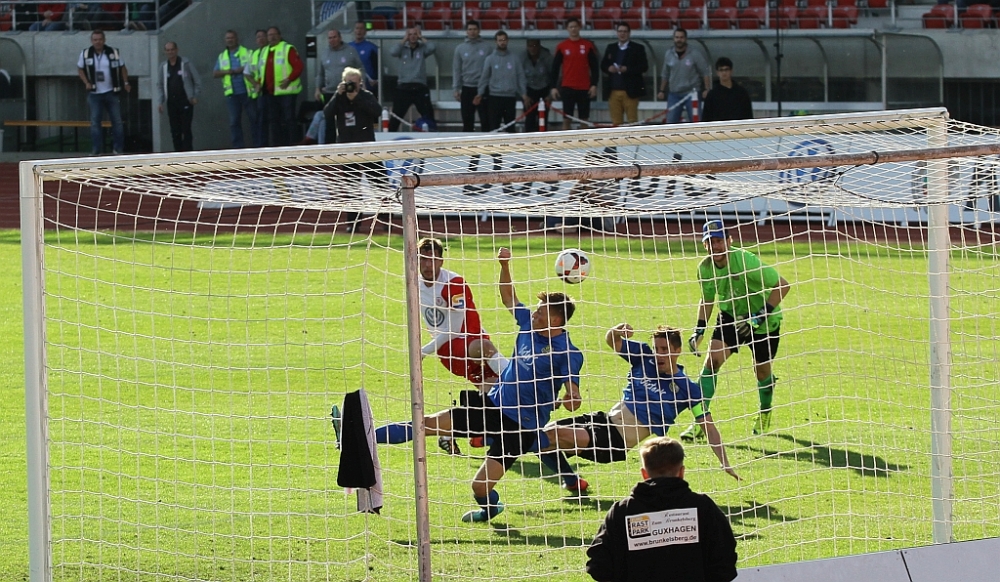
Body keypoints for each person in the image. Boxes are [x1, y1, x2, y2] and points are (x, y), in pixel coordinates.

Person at [374, 247, 583, 523]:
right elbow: (509, 298)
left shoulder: (568, 352)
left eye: (540, 313)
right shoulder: (528, 325)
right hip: (492, 406)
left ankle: (491, 508)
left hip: (520, 428)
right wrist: (505, 265)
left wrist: (571, 398)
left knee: (479, 487)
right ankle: (366, 436)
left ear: (555, 320)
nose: (534, 315)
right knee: (427, 424)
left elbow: (574, 396)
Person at [538, 323, 739, 495]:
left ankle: (520, 451)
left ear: (677, 350)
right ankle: (572, 481)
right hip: (601, 420)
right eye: (656, 348)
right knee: (541, 438)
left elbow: (708, 427)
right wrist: (616, 331)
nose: (659, 354)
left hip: (614, 441)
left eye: (664, 349)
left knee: (548, 436)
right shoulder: (644, 357)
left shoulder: (688, 389)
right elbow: (612, 341)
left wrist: (725, 461)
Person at [684, 220, 791, 441]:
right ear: (705, 245)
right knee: (712, 361)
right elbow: (707, 298)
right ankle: (700, 423)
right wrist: (699, 329)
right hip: (731, 317)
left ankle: (765, 411)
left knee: (762, 373)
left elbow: (782, 285)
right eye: (710, 242)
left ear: (729, 241)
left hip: (764, 321)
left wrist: (759, 317)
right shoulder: (704, 268)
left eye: (719, 241)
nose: (716, 246)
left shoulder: (745, 260)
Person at [585, 436, 738, 582]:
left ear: (644, 474)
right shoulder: (703, 507)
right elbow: (725, 561)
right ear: (682, 472)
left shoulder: (622, 512)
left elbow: (599, 567)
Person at [411, 237, 508, 453]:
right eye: (423, 259)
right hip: (460, 349)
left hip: (467, 348)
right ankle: (519, 378)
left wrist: (423, 351)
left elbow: (456, 325)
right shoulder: (413, 284)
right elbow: (453, 331)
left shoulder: (453, 283)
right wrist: (424, 351)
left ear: (441, 261)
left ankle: (452, 432)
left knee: (496, 395)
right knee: (507, 382)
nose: (427, 264)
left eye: (432, 259)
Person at [323, 66, 389, 232]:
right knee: (352, 186)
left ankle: (387, 219)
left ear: (360, 82)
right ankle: (353, 223)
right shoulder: (339, 98)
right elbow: (327, 113)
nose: (351, 85)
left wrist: (357, 98)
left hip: (367, 147)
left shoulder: (366, 96)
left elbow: (377, 111)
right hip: (348, 148)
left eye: (354, 82)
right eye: (348, 82)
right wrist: (337, 94)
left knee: (380, 184)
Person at [77, 29, 130, 155]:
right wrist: (86, 82)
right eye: (95, 40)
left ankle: (118, 148)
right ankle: (96, 150)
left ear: (104, 40)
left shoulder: (113, 52)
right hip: (95, 93)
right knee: (95, 122)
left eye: (100, 39)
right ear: (91, 41)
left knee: (117, 121)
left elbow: (122, 67)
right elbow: (80, 69)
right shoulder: (86, 53)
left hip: (111, 91)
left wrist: (126, 82)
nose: (98, 42)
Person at [257, 26, 304, 146]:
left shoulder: (287, 48)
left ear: (279, 35)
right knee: (273, 121)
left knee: (289, 119)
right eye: (269, 35)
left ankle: (293, 146)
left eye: (274, 34)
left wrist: (289, 79)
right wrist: (259, 83)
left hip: (286, 92)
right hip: (270, 93)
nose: (272, 37)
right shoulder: (264, 51)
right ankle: (277, 147)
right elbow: (261, 70)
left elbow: (298, 67)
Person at [550, 17, 599, 130]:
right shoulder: (562, 46)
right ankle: (566, 140)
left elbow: (594, 67)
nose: (573, 29)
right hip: (568, 87)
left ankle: (584, 141)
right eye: (571, 27)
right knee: (567, 118)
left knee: (584, 119)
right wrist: (553, 87)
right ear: (567, 29)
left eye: (575, 26)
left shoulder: (587, 45)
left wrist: (594, 85)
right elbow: (555, 68)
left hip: (584, 87)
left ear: (579, 28)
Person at [315, 28, 363, 144]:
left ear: (340, 38)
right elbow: (320, 73)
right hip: (330, 93)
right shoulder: (325, 53)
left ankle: (348, 145)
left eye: (334, 37)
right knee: (329, 122)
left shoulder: (350, 51)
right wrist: (317, 89)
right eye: (330, 38)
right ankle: (329, 148)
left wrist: (361, 84)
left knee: (347, 121)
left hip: (347, 92)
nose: (332, 40)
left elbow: (360, 69)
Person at [475, 30, 528, 134]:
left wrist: (523, 93)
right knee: (494, 127)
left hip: (510, 97)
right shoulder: (490, 59)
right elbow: (484, 77)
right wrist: (480, 93)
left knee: (510, 128)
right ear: (496, 42)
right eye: (500, 40)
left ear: (507, 41)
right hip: (495, 97)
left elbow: (520, 77)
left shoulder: (514, 59)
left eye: (504, 40)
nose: (502, 42)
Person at [214, 30, 259, 149]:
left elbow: (255, 66)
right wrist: (228, 72)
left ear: (237, 39)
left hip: (248, 92)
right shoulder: (222, 56)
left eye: (232, 38)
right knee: (234, 122)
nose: (230, 40)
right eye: (228, 38)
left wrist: (242, 68)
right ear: (225, 40)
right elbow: (215, 73)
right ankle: (238, 148)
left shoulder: (247, 52)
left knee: (254, 119)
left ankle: (258, 146)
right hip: (232, 94)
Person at [657, 28, 711, 124]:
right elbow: (665, 74)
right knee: (670, 122)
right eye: (677, 37)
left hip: (692, 94)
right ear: (673, 38)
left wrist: (707, 89)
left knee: (696, 122)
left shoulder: (695, 53)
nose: (679, 40)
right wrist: (661, 90)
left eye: (681, 37)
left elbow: (705, 72)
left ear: (686, 39)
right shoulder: (669, 54)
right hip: (674, 94)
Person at [388, 26, 437, 132]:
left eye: (415, 34)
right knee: (396, 116)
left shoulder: (422, 49)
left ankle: (432, 135)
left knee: (428, 115)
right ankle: (389, 137)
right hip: (403, 87)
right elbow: (393, 52)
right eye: (410, 34)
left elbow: (432, 48)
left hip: (419, 86)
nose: (413, 37)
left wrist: (421, 37)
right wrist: (404, 40)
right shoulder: (402, 49)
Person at [601, 22, 648, 127]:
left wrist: (627, 69)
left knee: (632, 120)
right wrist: (609, 68)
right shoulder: (611, 48)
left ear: (629, 33)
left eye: (625, 31)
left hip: (630, 91)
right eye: (620, 31)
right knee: (616, 122)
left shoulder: (638, 48)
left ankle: (633, 138)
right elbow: (603, 64)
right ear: (617, 33)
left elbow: (644, 67)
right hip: (613, 91)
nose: (622, 34)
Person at [157, 41, 201, 152]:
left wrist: (195, 95)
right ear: (165, 52)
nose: (170, 52)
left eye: (172, 49)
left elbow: (197, 80)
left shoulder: (185, 63)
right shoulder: (163, 67)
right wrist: (160, 102)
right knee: (175, 130)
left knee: (186, 129)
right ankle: (178, 154)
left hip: (185, 101)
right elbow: (160, 85)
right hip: (171, 102)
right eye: (168, 50)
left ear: (176, 50)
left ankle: (188, 154)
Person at [452, 20, 489, 132]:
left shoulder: (487, 48)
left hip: (483, 89)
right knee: (467, 122)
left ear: (479, 31)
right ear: (466, 31)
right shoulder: (460, 48)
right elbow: (457, 69)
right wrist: (456, 88)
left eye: (475, 29)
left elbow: (490, 70)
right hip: (467, 88)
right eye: (470, 29)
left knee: (486, 121)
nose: (472, 32)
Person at [701, 57, 754, 123]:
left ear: (731, 71)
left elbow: (748, 115)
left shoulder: (741, 93)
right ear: (717, 72)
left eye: (726, 69)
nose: (724, 73)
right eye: (721, 70)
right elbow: (706, 118)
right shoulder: (712, 95)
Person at [522, 38, 552, 133]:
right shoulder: (522, 57)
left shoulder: (547, 57)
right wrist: (524, 95)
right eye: (530, 46)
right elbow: (519, 77)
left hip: (544, 90)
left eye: (535, 46)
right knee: (529, 119)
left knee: (543, 119)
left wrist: (550, 95)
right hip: (529, 91)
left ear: (539, 46)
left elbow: (553, 76)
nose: (532, 48)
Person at [248, 29, 269, 146]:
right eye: (258, 37)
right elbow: (247, 73)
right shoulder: (254, 54)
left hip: (269, 91)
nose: (260, 39)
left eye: (262, 36)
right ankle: (260, 145)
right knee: (258, 120)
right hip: (257, 93)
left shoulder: (270, 51)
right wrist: (256, 84)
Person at [349, 21, 379, 91]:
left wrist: (376, 80)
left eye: (361, 28)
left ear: (365, 31)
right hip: (351, 85)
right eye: (357, 28)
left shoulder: (372, 48)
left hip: (368, 86)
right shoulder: (348, 47)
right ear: (354, 30)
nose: (359, 31)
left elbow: (377, 66)